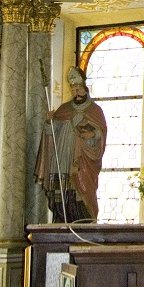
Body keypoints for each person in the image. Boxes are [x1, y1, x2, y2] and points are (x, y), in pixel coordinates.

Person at [35, 66, 107, 222]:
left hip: (82, 162)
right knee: (60, 197)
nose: (76, 92)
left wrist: (93, 134)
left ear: (85, 89)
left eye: (79, 88)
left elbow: (101, 136)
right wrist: (49, 122)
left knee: (81, 195)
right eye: (73, 89)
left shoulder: (95, 111)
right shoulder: (63, 110)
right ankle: (60, 221)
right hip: (60, 161)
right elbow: (50, 135)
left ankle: (83, 223)